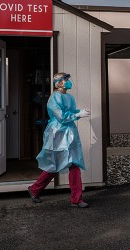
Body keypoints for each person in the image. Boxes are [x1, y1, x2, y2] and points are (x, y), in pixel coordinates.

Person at [27, 72, 91, 208]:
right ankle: (35, 189)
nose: (68, 81)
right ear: (59, 83)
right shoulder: (54, 98)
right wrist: (78, 114)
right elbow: (61, 117)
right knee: (54, 164)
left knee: (74, 163)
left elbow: (72, 112)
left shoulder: (69, 97)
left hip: (69, 132)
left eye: (68, 79)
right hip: (58, 133)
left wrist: (80, 112)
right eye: (66, 79)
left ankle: (77, 199)